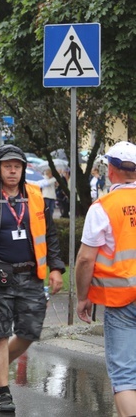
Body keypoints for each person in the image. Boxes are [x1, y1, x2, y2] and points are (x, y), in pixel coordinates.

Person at [0, 145, 65, 413]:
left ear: (24, 169)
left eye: (17, 166)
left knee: (30, 331)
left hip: (30, 275)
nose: (13, 170)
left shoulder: (36, 196)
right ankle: (3, 393)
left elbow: (49, 235)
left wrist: (55, 268)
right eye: (8, 166)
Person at [75, 141, 136, 417]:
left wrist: (82, 297)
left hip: (123, 301)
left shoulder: (102, 208)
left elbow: (86, 259)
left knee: (125, 377)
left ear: (110, 170)